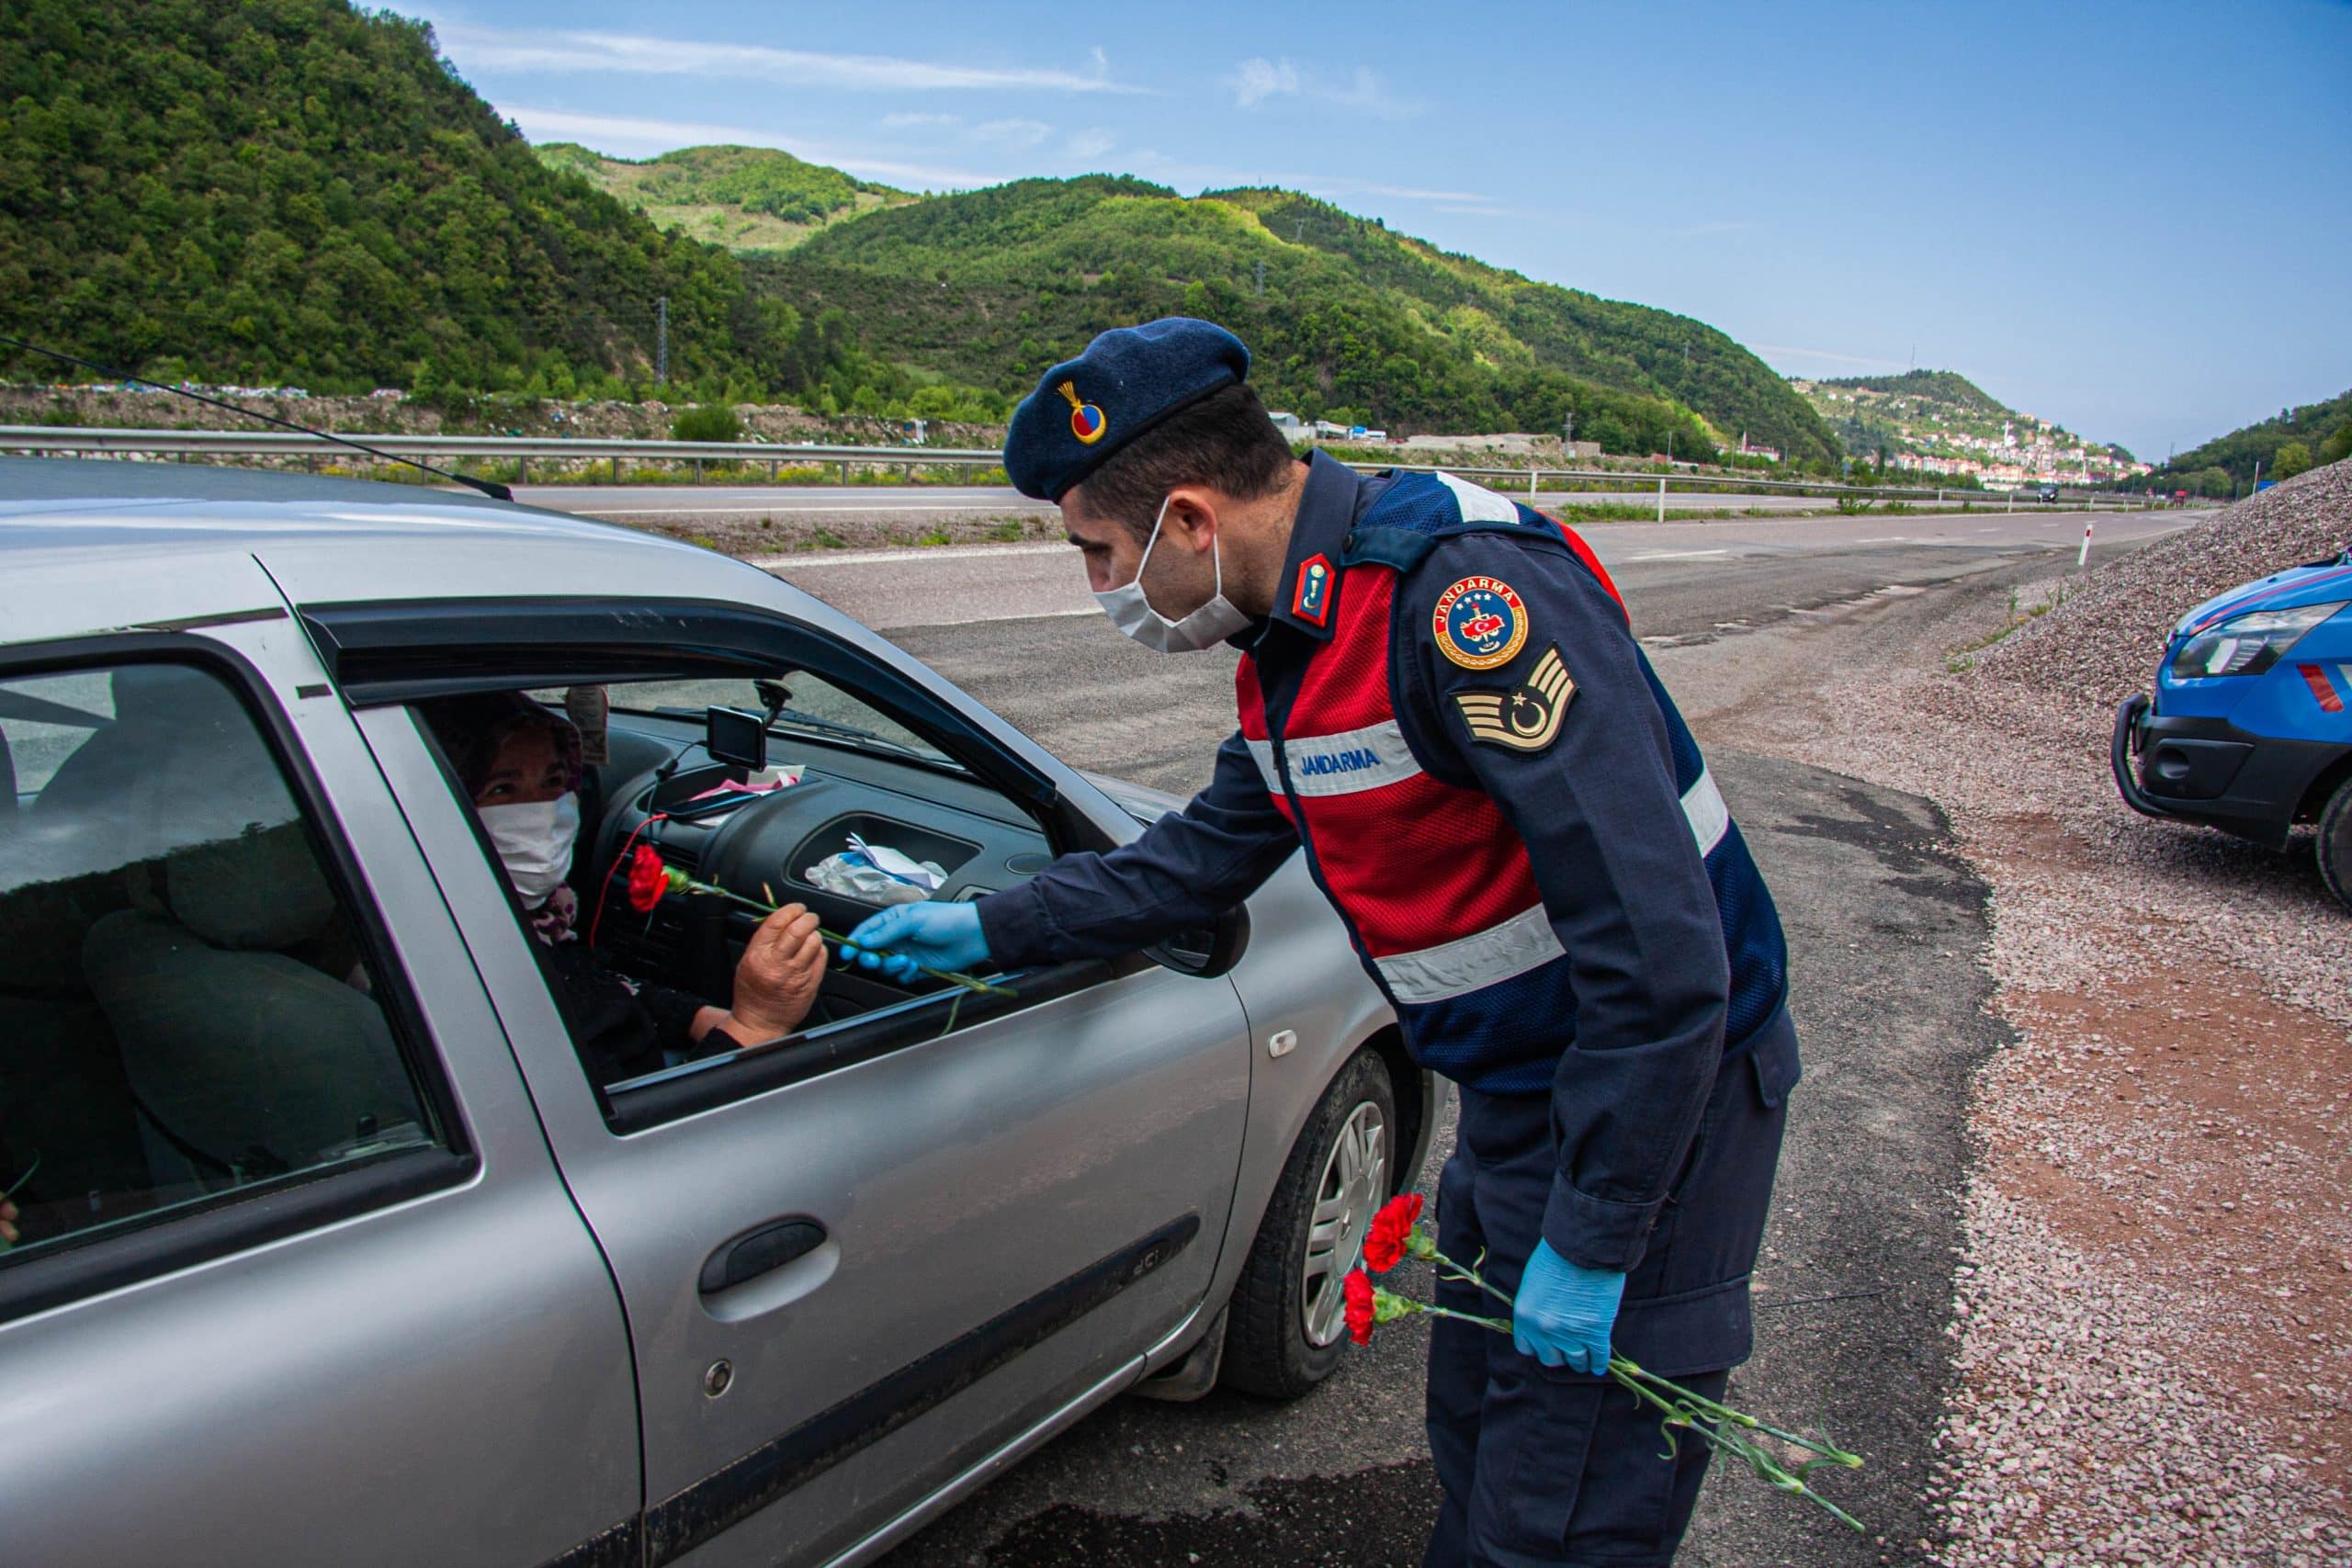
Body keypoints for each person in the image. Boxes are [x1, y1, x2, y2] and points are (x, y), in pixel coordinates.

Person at [843, 320, 1799, 1566]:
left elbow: (1667, 958)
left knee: (1559, 1517)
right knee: (1475, 1440)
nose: (1095, 589)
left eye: (1098, 552)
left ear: (1190, 518)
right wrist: (991, 923)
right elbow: (1202, 855)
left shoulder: (1462, 604)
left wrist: (1599, 1229)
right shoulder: (1296, 638)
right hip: (1522, 1095)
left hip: (1660, 1103)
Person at [423, 694, 825, 1083]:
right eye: (502, 790)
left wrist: (700, 1018)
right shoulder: (468, 978)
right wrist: (755, 1025)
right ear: (440, 802)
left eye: (554, 780)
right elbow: (642, 1135)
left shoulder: (532, 927)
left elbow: (597, 987)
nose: (543, 811)